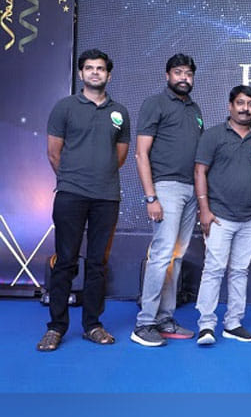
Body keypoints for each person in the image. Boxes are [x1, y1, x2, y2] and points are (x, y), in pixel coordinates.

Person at [37, 49, 130, 351]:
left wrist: (98, 176)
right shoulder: (64, 107)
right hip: (70, 195)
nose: (94, 73)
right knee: (65, 261)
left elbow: (119, 156)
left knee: (97, 263)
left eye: (100, 68)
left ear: (109, 75)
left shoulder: (120, 112)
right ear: (81, 74)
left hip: (106, 197)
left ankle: (93, 325)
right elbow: (54, 153)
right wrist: (74, 179)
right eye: (89, 68)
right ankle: (56, 327)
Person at [130, 54, 204, 347]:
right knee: (161, 255)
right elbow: (141, 154)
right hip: (165, 188)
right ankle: (144, 324)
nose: (183, 78)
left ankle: (164, 318)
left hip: (190, 190)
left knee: (175, 256)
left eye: (188, 73)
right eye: (178, 72)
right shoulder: (155, 103)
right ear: (167, 76)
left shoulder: (195, 109)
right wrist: (151, 197)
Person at [194, 85, 251, 345]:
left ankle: (233, 323)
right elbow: (200, 171)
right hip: (219, 216)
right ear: (230, 106)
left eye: (250, 104)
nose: (245, 109)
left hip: (250, 219)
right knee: (214, 270)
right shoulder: (213, 135)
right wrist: (204, 209)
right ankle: (206, 325)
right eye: (240, 103)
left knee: (240, 271)